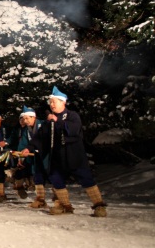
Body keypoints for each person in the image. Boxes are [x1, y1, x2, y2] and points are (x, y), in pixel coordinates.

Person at [21, 86, 108, 217]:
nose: (51, 105)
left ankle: (99, 206)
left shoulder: (72, 116)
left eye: (54, 102)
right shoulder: (48, 121)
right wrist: (29, 148)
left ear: (63, 102)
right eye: (50, 102)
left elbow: (73, 130)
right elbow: (40, 137)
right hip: (57, 155)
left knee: (86, 178)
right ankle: (65, 205)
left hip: (74, 154)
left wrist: (58, 121)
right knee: (55, 177)